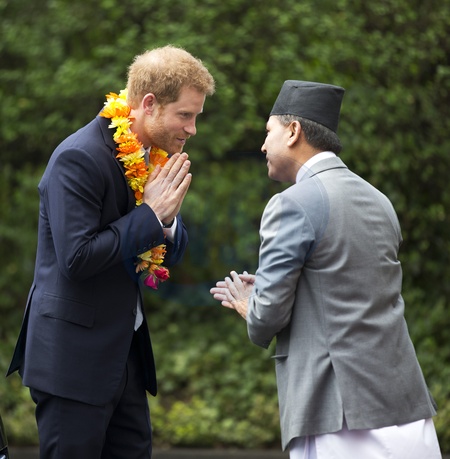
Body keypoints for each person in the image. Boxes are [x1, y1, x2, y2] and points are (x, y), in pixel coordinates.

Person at [210, 80, 441, 459]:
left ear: (293, 131)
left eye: (268, 132)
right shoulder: (379, 200)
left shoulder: (291, 203)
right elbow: (343, 286)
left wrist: (251, 303)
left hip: (340, 416)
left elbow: (268, 317)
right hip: (406, 411)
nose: (263, 145)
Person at [7, 45, 215, 459]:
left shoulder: (151, 158)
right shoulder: (78, 157)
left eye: (196, 116)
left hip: (125, 359)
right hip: (73, 364)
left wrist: (167, 222)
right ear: (149, 104)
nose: (192, 128)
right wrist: (151, 215)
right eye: (185, 115)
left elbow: (167, 254)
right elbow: (77, 259)